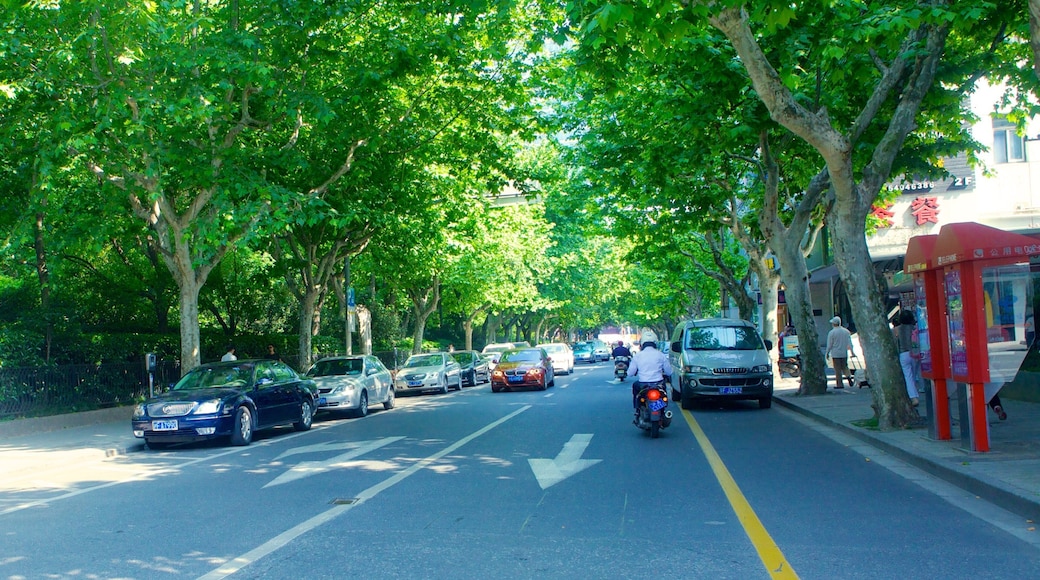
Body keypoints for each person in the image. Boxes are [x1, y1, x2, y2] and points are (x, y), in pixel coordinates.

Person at [627, 330, 672, 414]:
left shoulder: (638, 356)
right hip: (659, 383)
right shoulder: (660, 355)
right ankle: (663, 409)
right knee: (664, 394)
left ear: (642, 344)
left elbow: (630, 373)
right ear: (655, 343)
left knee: (635, 388)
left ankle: (637, 409)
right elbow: (669, 372)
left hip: (643, 384)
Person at [895, 310, 920, 406]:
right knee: (914, 375)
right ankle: (915, 393)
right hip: (915, 353)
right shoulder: (915, 328)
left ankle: (913, 397)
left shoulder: (897, 329)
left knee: (908, 376)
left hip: (903, 354)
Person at [825, 316, 854, 390]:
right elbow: (850, 343)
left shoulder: (832, 333)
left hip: (835, 353)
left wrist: (827, 353)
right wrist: (852, 352)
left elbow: (829, 344)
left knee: (837, 369)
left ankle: (839, 384)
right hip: (844, 353)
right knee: (845, 367)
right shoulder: (846, 331)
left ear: (834, 324)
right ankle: (848, 377)